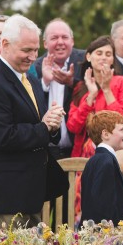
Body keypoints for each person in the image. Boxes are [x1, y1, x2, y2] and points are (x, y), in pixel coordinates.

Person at [0, 14, 66, 231]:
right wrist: (44, 127)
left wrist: (52, 125)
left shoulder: (30, 79)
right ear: (4, 44)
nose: (32, 57)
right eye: (26, 50)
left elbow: (37, 125)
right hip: (2, 196)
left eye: (35, 50)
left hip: (27, 193)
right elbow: (4, 137)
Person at [66, 35, 123, 158]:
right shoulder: (80, 87)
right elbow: (73, 127)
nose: (103, 57)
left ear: (113, 59)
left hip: (116, 155)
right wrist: (91, 96)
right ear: (88, 57)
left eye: (108, 54)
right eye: (99, 53)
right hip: (83, 157)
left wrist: (107, 89)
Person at [32, 18, 85, 160]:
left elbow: (95, 93)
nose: (60, 42)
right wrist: (45, 82)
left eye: (65, 37)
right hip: (45, 152)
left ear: (72, 41)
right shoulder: (34, 66)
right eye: (54, 38)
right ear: (45, 43)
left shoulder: (85, 61)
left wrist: (72, 82)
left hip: (78, 150)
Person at [80, 110, 123, 225]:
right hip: (105, 235)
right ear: (106, 134)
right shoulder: (106, 162)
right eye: (122, 130)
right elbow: (102, 206)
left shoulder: (96, 159)